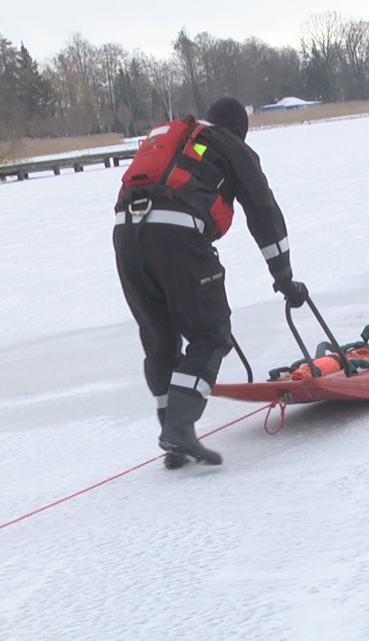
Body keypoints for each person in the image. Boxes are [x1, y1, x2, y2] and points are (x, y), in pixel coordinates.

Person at [113, 97, 307, 469]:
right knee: (211, 333)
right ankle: (180, 428)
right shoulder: (231, 145)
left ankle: (173, 439)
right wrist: (284, 278)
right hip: (177, 236)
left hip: (126, 235)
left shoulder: (178, 135)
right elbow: (262, 210)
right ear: (239, 131)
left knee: (161, 339)